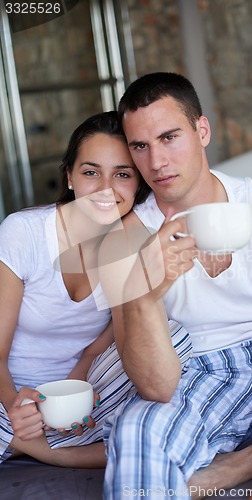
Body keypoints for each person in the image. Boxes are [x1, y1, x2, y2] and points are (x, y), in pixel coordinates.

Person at [99, 73, 252, 499]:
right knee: (135, 429)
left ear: (201, 131)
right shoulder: (124, 241)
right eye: (141, 146)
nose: (156, 162)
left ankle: (234, 466)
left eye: (169, 137)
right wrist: (146, 293)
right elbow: (156, 386)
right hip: (194, 378)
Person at [0, 110, 192, 469]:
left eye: (122, 174)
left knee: (173, 338)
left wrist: (79, 386)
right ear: (70, 176)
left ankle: (45, 443)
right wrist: (16, 406)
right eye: (91, 172)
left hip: (86, 389)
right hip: (9, 391)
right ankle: (45, 448)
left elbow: (114, 338)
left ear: (138, 184)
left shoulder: (133, 241)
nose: (106, 189)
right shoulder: (23, 232)